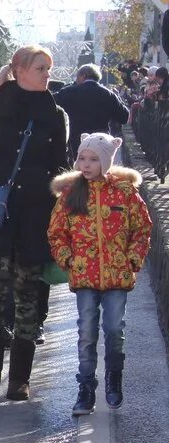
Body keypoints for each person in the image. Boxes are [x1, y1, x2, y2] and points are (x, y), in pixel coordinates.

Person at [0, 45, 68, 402]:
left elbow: (59, 167)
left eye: (48, 69)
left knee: (28, 297)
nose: (46, 74)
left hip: (36, 214)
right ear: (20, 69)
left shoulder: (54, 113)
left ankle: (19, 378)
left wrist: (60, 214)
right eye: (41, 68)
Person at [47, 134, 152, 415]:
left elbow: (141, 228)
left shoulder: (125, 192)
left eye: (93, 159)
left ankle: (114, 378)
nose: (86, 164)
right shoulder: (71, 194)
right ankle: (85, 388)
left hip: (118, 275)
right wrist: (69, 260)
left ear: (106, 161)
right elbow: (57, 232)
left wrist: (132, 259)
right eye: (82, 158)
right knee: (86, 332)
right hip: (84, 276)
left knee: (115, 329)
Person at [53, 64, 130, 160]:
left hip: (75, 141)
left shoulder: (68, 92)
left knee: (79, 169)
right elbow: (124, 117)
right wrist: (118, 98)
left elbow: (50, 106)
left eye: (77, 77)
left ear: (83, 76)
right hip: (101, 140)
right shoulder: (108, 94)